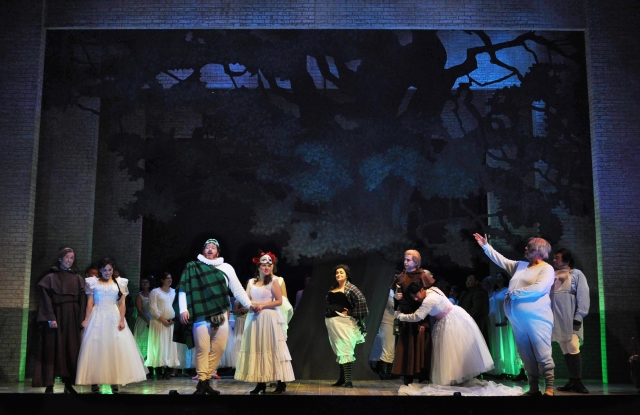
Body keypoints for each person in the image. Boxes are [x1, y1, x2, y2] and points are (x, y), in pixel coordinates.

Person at [474, 233, 555, 396]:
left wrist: (515, 293)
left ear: (538, 250)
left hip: (537, 318)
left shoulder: (546, 269)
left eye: (529, 247)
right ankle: (533, 387)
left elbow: (539, 288)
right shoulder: (520, 266)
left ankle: (549, 387)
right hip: (517, 321)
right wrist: (485, 246)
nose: (525, 248)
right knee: (525, 353)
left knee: (542, 351)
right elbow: (501, 260)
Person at [177, 238, 255, 395]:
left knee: (219, 348)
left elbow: (237, 289)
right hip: (200, 313)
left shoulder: (226, 268)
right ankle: (202, 382)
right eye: (207, 247)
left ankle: (205, 380)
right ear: (203, 250)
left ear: (218, 252)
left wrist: (250, 305)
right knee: (202, 348)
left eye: (213, 247)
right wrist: (183, 309)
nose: (210, 249)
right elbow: (183, 289)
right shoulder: (193, 267)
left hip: (221, 313)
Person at [396, 282, 494, 385]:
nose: (415, 299)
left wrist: (400, 316)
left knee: (451, 350)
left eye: (416, 296)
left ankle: (454, 377)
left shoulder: (429, 300)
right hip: (455, 315)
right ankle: (456, 377)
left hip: (449, 321)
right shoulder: (433, 289)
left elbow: (417, 316)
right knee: (456, 349)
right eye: (413, 297)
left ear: (421, 290)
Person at [76, 257, 148, 393]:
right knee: (96, 348)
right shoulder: (93, 283)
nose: (108, 272)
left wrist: (121, 320)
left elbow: (122, 303)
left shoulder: (120, 283)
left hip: (113, 316)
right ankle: (94, 381)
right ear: (100, 270)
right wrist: (86, 319)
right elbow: (90, 302)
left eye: (110, 270)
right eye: (105, 270)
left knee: (115, 348)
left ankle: (115, 381)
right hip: (98, 317)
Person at [235, 252, 295, 394]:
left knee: (272, 347)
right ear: (258, 267)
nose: (266, 267)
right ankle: (260, 382)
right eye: (263, 265)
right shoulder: (251, 282)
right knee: (257, 348)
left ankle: (280, 382)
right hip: (254, 318)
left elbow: (279, 301)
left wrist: (262, 305)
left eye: (269, 265)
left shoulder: (273, 281)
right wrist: (250, 306)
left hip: (268, 318)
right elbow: (247, 299)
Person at [32, 248, 86, 394]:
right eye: (67, 257)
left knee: (70, 349)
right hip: (56, 316)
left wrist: (81, 319)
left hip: (72, 318)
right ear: (60, 259)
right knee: (52, 349)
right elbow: (45, 300)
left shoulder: (78, 279)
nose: (69, 260)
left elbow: (82, 301)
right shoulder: (50, 278)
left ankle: (68, 384)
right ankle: (49, 384)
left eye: (72, 258)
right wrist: (50, 317)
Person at [391, 250, 435, 385]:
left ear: (416, 262)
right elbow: (396, 296)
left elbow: (428, 300)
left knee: (420, 345)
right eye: (405, 259)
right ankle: (407, 377)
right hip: (405, 315)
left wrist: (424, 322)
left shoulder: (422, 276)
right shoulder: (401, 276)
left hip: (419, 315)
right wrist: (396, 296)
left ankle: (422, 377)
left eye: (408, 260)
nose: (405, 262)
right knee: (406, 346)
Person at [551, 248, 590, 394]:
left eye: (557, 257)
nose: (554, 260)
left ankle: (578, 381)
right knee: (565, 349)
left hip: (571, 317)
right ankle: (572, 380)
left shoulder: (576, 274)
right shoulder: (552, 275)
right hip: (557, 318)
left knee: (573, 347)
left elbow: (583, 296)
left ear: (566, 260)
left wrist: (579, 316)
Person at [325, 264, 368, 388]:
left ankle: (348, 380)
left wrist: (352, 312)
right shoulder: (333, 288)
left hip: (344, 323)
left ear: (347, 275)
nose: (338, 274)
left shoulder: (351, 288)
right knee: (339, 350)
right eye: (337, 273)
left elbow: (362, 302)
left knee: (346, 350)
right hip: (332, 322)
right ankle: (342, 379)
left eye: (341, 272)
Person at [487, 272, 523, 378]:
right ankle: (499, 369)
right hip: (494, 321)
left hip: (504, 319)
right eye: (496, 277)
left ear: (504, 279)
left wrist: (506, 318)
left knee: (506, 341)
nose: (498, 278)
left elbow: (511, 305)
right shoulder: (494, 292)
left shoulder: (507, 291)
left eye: (500, 277)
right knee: (497, 343)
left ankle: (510, 369)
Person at [146, 272, 180, 379]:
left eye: (170, 278)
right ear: (162, 280)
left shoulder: (174, 291)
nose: (169, 280)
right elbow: (153, 308)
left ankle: (167, 370)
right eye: (167, 278)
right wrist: (162, 319)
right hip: (158, 322)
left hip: (171, 323)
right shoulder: (155, 292)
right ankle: (159, 370)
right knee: (159, 345)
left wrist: (173, 320)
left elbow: (178, 306)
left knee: (169, 346)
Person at [458, 274, 490, 346]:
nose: (467, 282)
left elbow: (476, 310)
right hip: (467, 321)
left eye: (470, 280)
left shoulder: (480, 293)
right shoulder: (466, 293)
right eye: (467, 280)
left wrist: (465, 318)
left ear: (476, 282)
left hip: (476, 322)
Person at [133, 276, 151, 373]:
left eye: (146, 282)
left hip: (152, 321)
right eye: (143, 282)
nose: (145, 284)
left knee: (150, 343)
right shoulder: (139, 296)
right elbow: (139, 310)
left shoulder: (152, 294)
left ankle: (150, 366)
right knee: (141, 342)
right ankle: (140, 367)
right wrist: (148, 321)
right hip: (143, 321)